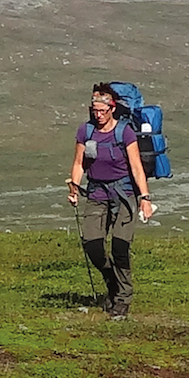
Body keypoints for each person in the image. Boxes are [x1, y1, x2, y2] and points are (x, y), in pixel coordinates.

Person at [66, 81, 154, 317]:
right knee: (92, 244)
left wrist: (144, 198)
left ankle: (122, 299)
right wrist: (74, 188)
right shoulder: (85, 131)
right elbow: (79, 163)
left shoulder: (124, 132)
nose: (98, 115)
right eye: (95, 111)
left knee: (120, 246)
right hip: (96, 193)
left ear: (112, 108)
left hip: (124, 194)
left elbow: (136, 168)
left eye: (103, 111)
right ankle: (112, 281)